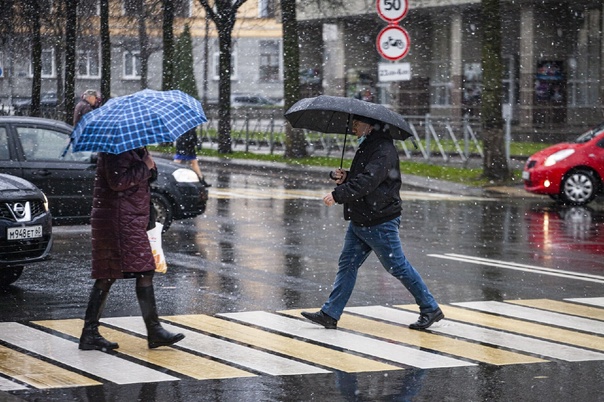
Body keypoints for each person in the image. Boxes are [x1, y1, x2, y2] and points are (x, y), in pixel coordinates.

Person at [301, 115, 444, 331]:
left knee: (398, 267)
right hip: (362, 218)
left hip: (379, 220)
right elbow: (366, 177)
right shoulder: (370, 145)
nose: (353, 127)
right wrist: (346, 176)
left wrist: (338, 194)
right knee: (347, 264)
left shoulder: (383, 150)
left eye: (357, 123)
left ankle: (430, 308)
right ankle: (330, 314)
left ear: (369, 126)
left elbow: (369, 181)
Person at [79, 146, 185, 351]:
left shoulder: (134, 146)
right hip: (119, 218)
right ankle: (153, 331)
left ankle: (90, 332)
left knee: (111, 273)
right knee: (133, 271)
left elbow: (145, 179)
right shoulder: (114, 148)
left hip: (130, 217)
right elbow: (117, 182)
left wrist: (148, 166)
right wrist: (144, 166)